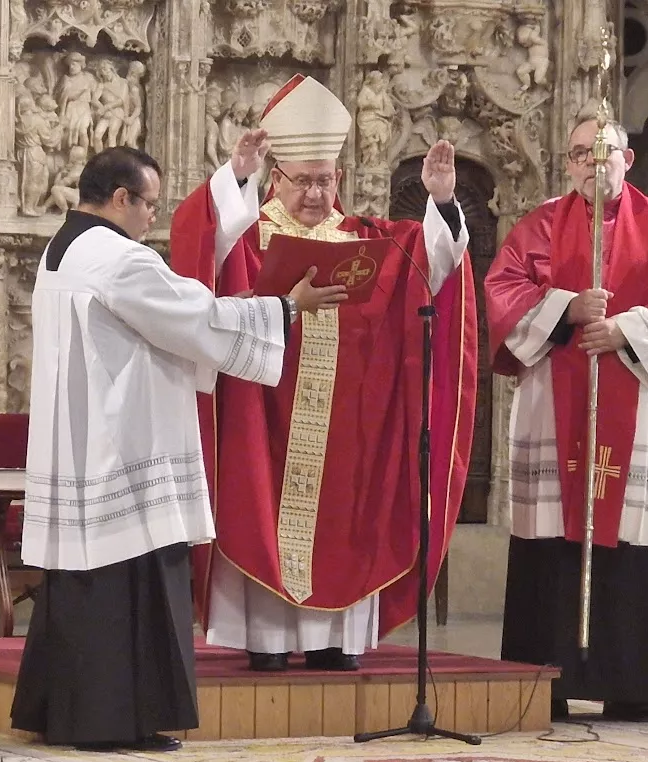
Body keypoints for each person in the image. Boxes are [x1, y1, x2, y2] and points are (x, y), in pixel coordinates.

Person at [10, 146, 345, 751]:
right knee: (127, 583)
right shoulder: (117, 259)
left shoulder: (65, 250)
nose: (151, 220)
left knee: (82, 584)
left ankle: (66, 713)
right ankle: (114, 722)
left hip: (83, 440)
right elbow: (195, 316)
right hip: (125, 446)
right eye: (148, 206)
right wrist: (286, 310)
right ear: (120, 199)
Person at [170, 74, 479, 672]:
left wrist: (440, 202)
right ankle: (266, 640)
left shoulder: (368, 239)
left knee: (345, 521)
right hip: (264, 419)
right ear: (276, 177)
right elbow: (201, 255)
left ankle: (336, 640)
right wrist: (236, 177)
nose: (315, 193)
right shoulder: (250, 237)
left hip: (348, 424)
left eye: (325, 179)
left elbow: (436, 268)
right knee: (262, 510)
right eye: (302, 181)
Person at [484, 116, 648, 722]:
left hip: (640, 406)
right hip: (555, 409)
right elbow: (502, 291)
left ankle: (632, 684)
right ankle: (550, 681)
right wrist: (564, 311)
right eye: (582, 152)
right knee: (556, 536)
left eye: (604, 152)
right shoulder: (537, 228)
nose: (593, 162)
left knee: (633, 536)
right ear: (568, 163)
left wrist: (623, 329)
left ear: (628, 159)